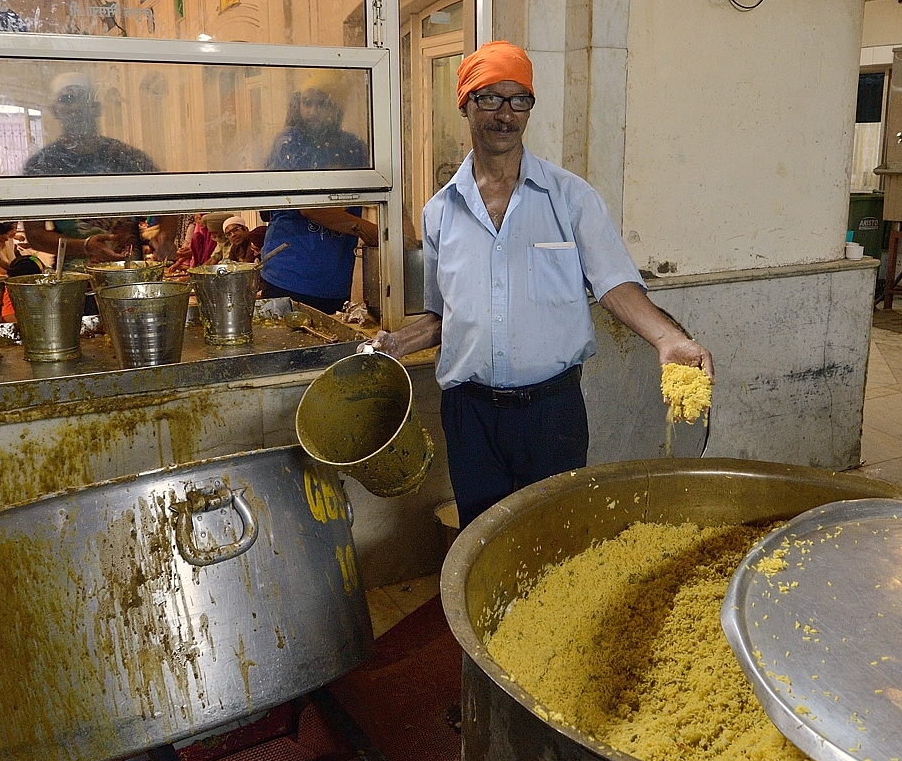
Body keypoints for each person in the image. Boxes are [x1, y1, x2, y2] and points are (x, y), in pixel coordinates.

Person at [375, 41, 714, 528]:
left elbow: (614, 284)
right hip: (469, 414)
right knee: (484, 538)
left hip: (551, 412)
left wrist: (667, 338)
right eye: (490, 98)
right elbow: (444, 316)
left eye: (519, 100)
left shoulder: (571, 197)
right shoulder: (441, 212)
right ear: (465, 105)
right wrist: (398, 344)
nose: (505, 114)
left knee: (555, 535)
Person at [258, 71, 379, 313]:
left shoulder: (353, 147)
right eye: (307, 102)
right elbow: (313, 209)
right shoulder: (291, 142)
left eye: (322, 104)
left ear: (337, 108)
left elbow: (383, 189)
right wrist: (377, 233)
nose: (312, 111)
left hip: (334, 281)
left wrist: (403, 238)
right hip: (288, 275)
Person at [21, 72, 161, 264]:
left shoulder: (125, 156)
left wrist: (165, 237)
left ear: (96, 108)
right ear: (55, 110)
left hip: (129, 274)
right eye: (67, 99)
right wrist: (84, 246)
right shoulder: (43, 164)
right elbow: (35, 235)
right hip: (75, 278)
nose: (76, 107)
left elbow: (169, 196)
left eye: (83, 99)